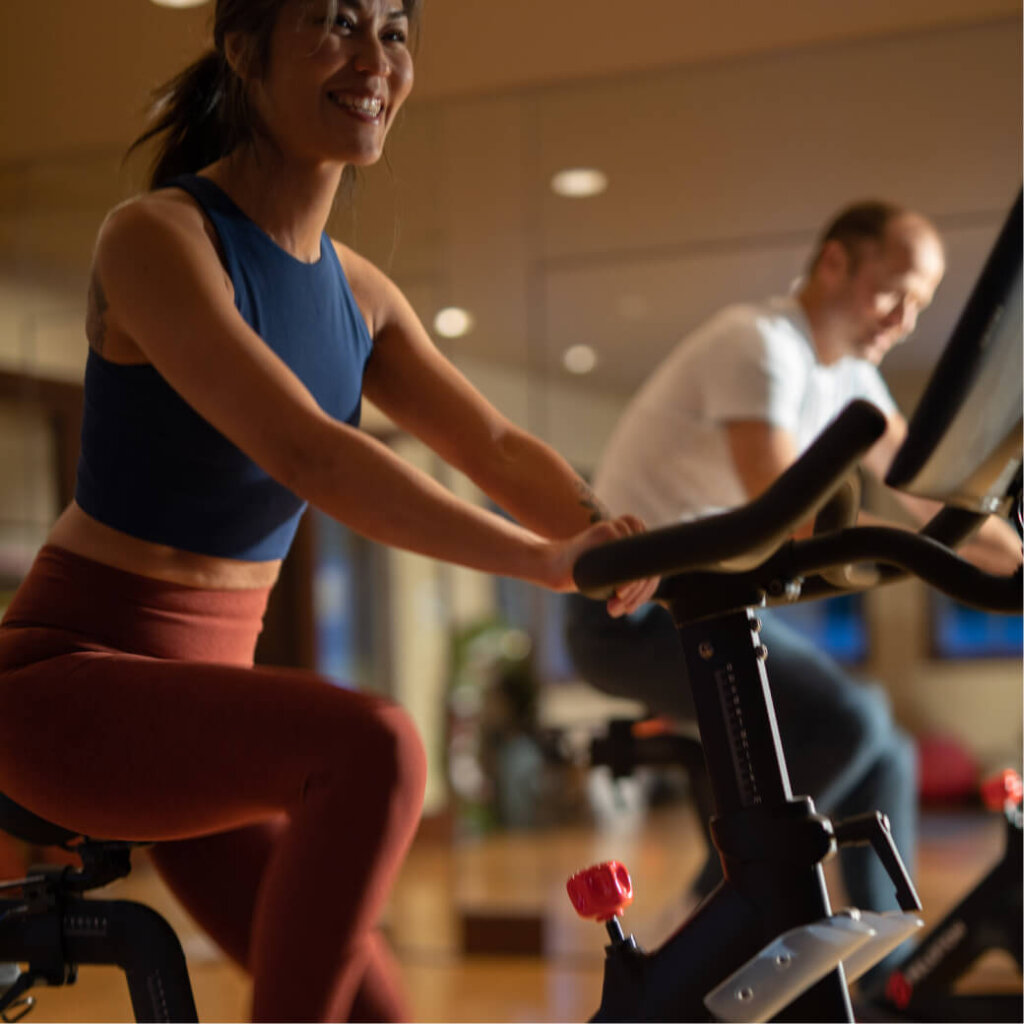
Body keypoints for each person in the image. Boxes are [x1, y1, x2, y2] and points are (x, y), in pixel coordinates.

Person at [0, 3, 658, 1021]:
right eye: (337, 22)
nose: (374, 60)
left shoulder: (361, 293)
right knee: (377, 744)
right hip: (69, 690)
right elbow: (310, 451)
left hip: (202, 711)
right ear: (242, 48)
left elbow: (492, 448)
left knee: (370, 1015)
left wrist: (614, 536)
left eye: (395, 32)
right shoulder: (158, 237)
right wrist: (544, 561)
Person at [565, 201, 1023, 945]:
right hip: (625, 615)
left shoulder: (851, 380)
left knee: (890, 751)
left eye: (921, 304)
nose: (904, 319)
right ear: (836, 262)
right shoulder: (759, 343)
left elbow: (934, 506)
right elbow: (789, 510)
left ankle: (878, 966)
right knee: (851, 721)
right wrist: (935, 551)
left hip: (708, 609)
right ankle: (704, 922)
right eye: (893, 291)